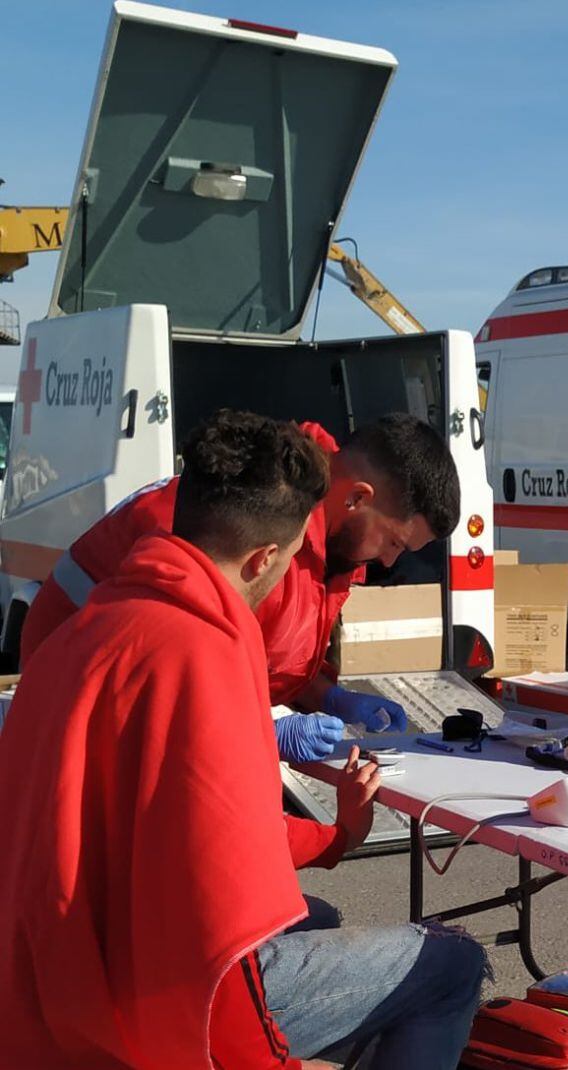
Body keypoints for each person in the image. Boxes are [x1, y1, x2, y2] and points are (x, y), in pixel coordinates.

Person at [0, 410, 486, 1070]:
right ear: (265, 557)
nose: (388, 560)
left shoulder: (78, 639)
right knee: (451, 962)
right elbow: (230, 866)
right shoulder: (205, 654)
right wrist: (341, 831)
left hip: (41, 980)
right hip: (140, 1004)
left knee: (315, 919)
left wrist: (307, 707)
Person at [20, 412, 462, 764]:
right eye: (394, 542)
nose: (389, 561)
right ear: (358, 499)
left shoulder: (332, 549)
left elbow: (269, 656)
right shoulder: (237, 517)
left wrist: (329, 697)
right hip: (80, 722)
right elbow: (159, 682)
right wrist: (259, 736)